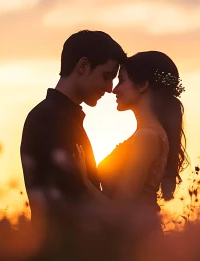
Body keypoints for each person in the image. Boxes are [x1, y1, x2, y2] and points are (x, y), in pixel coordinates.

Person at [20, 30, 127, 224]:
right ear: (83, 66)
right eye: (106, 76)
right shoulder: (50, 118)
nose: (110, 88)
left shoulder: (63, 117)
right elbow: (69, 200)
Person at [75, 51, 189, 227]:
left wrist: (84, 180)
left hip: (136, 240)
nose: (114, 89)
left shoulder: (147, 136)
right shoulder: (151, 134)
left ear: (143, 85)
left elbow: (119, 211)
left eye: (121, 80)